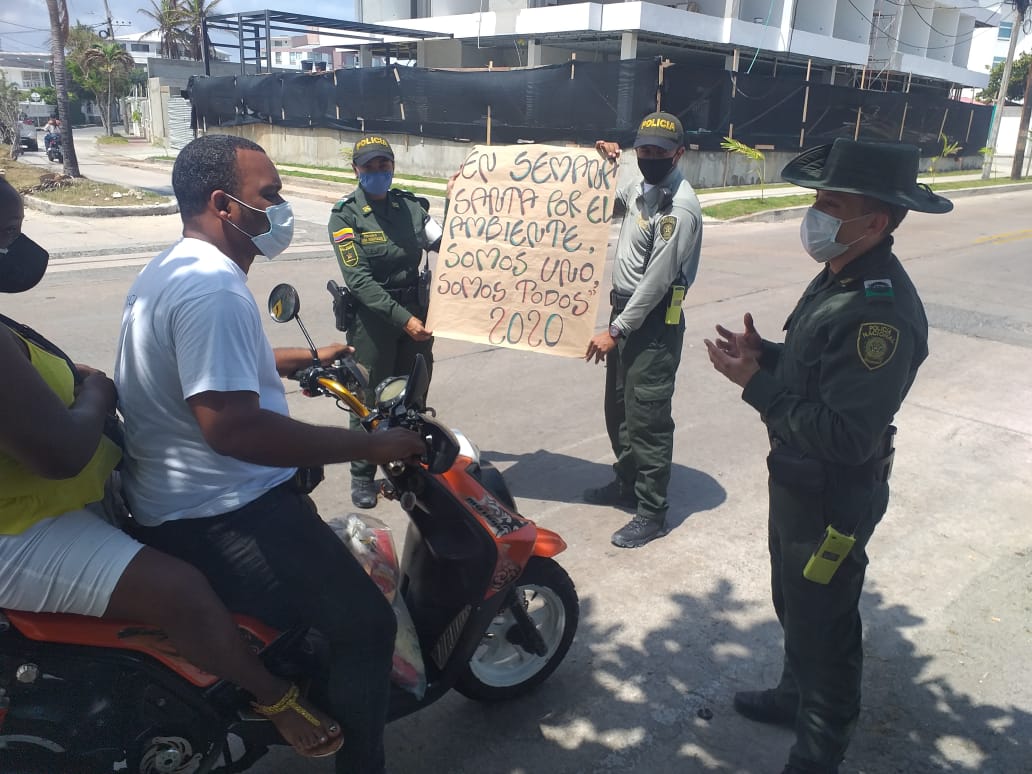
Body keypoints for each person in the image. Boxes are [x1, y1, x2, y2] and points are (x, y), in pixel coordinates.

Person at [114, 134, 426, 774]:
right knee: (368, 626)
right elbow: (233, 429)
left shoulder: (177, 267)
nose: (280, 209)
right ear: (225, 205)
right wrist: (373, 444)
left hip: (180, 500)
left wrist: (302, 360)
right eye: (271, 196)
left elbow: (207, 370)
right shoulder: (214, 291)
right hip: (222, 512)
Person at [0, 177, 343, 759]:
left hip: (49, 506)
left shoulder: (176, 275)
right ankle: (275, 697)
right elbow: (60, 452)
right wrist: (96, 393)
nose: (20, 248)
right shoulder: (209, 285)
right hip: (22, 531)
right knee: (181, 591)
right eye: (8, 235)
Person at [703, 139, 952, 774]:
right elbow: (819, 368)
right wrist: (770, 355)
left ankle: (820, 749)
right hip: (797, 479)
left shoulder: (882, 313)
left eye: (832, 205)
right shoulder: (839, 271)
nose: (815, 215)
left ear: (877, 222)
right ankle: (794, 695)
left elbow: (847, 434)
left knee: (826, 621)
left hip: (832, 491)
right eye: (816, 199)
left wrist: (754, 385)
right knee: (794, 600)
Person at [584, 111, 703, 548]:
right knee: (619, 410)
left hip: (651, 323)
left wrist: (615, 330)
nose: (650, 157)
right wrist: (604, 166)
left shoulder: (680, 208)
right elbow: (600, 206)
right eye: (644, 150)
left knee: (647, 416)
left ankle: (652, 511)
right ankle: (626, 483)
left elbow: (656, 282)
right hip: (626, 315)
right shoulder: (640, 188)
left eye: (659, 151)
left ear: (678, 153)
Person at [327, 134, 442, 509]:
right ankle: (363, 476)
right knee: (369, 397)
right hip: (374, 320)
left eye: (384, 165)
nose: (378, 172)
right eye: (370, 167)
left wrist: (462, 199)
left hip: (417, 316)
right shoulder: (344, 215)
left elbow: (448, 243)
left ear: (392, 166)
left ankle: (409, 462)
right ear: (356, 170)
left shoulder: (410, 208)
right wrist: (404, 319)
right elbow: (358, 280)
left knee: (413, 392)